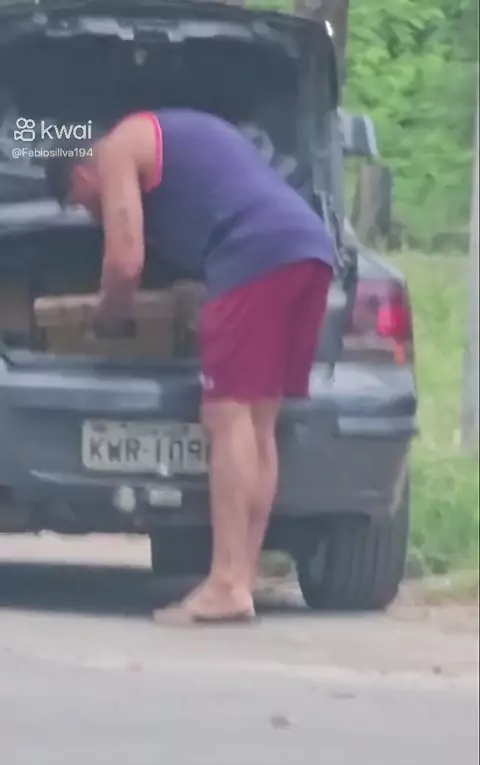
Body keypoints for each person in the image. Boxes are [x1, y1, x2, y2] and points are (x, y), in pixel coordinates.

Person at [45, 109, 334, 624]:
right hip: (306, 247)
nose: (89, 213)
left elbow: (124, 262)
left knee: (226, 416)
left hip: (253, 253)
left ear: (82, 176)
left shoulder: (116, 150)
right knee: (258, 420)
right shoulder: (173, 132)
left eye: (81, 203)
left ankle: (224, 584)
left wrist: (107, 318)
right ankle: (239, 580)